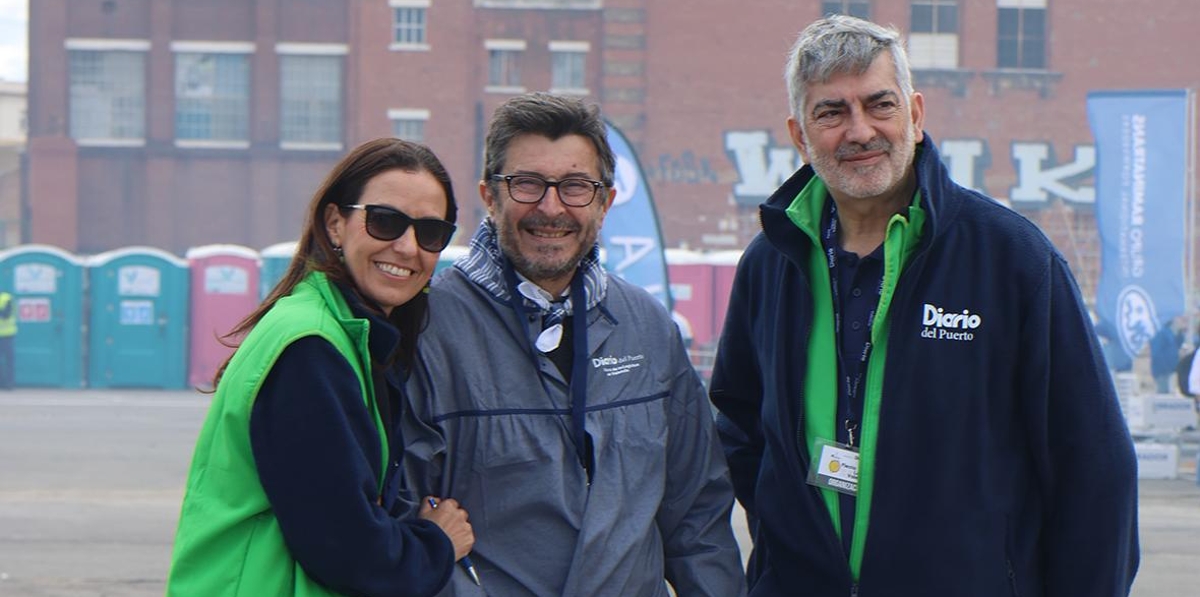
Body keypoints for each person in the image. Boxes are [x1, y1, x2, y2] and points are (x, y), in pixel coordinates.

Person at [709, 15, 1139, 597]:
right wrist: (786, 543)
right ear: (799, 135)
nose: (859, 131)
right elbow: (741, 424)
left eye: (878, 105)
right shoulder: (771, 263)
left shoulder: (1012, 260)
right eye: (831, 113)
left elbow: (1094, 467)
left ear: (915, 115)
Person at [404, 92, 746, 596]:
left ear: (605, 202)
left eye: (574, 187)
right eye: (527, 184)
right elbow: (402, 520)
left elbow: (698, 520)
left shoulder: (649, 330)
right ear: (489, 196)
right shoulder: (425, 332)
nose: (551, 207)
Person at [166, 138, 475, 597]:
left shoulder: (335, 329)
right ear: (335, 224)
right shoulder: (311, 348)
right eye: (386, 222)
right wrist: (436, 542)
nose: (408, 247)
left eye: (430, 232)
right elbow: (348, 550)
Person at [1150, 315, 1187, 393]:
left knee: (1170, 391)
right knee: (1163, 392)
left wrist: (1181, 332)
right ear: (1175, 319)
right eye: (1182, 319)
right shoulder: (1162, 333)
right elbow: (1156, 353)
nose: (1184, 322)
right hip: (1162, 370)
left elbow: (1179, 346)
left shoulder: (1177, 335)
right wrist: (1163, 366)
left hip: (1172, 369)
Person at [0, 288, 14, 389]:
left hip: (7, 335)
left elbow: (6, 314)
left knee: (8, 360)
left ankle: (9, 383)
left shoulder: (6, 298)